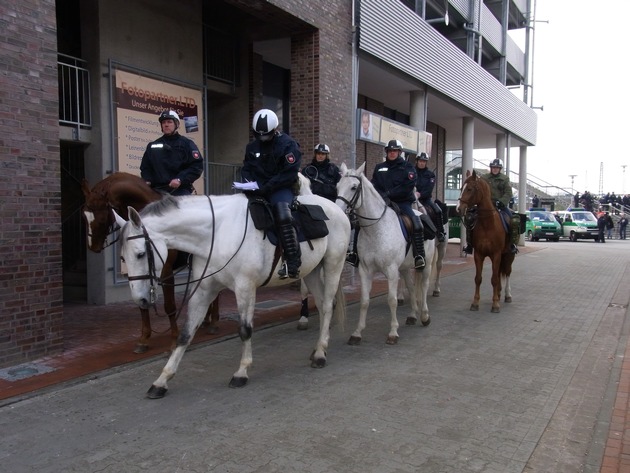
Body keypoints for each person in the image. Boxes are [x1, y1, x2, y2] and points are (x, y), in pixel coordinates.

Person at [241, 109, 302, 279]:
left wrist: (267, 186)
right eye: (258, 134)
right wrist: (248, 183)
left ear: (274, 130)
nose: (262, 138)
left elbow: (289, 172)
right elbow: (246, 168)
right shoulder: (251, 147)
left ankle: (292, 262)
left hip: (280, 188)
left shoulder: (288, 145)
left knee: (283, 213)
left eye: (266, 135)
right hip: (257, 188)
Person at [371, 139, 426, 270]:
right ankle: (355, 254)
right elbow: (374, 184)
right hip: (382, 203)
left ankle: (419, 256)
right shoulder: (379, 167)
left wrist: (389, 193)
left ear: (399, 152)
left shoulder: (408, 167)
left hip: (402, 203)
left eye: (394, 151)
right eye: (390, 151)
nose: (392, 153)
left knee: (415, 222)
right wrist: (381, 195)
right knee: (363, 221)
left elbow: (407, 186)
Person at [140, 110, 204, 196]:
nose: (166, 124)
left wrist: (179, 179)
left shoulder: (187, 144)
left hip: (180, 190)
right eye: (163, 122)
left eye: (169, 122)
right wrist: (147, 180)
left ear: (176, 124)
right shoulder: (152, 145)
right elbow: (145, 167)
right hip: (157, 191)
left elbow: (196, 166)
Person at [463, 158, 519, 255]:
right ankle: (470, 244)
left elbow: (508, 193)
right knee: (469, 218)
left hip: (500, 206)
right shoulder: (484, 178)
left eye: (497, 167)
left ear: (500, 168)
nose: (495, 169)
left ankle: (512, 244)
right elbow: (477, 189)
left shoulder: (505, 179)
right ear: (491, 168)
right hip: (485, 206)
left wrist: (501, 202)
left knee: (514, 221)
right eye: (493, 167)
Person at [414, 152, 446, 242]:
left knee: (437, 210)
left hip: (425, 199)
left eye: (424, 161)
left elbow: (429, 189)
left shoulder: (430, 175)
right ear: (417, 161)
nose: (422, 163)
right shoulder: (411, 172)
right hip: (412, 199)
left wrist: (420, 194)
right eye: (420, 161)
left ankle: (440, 232)